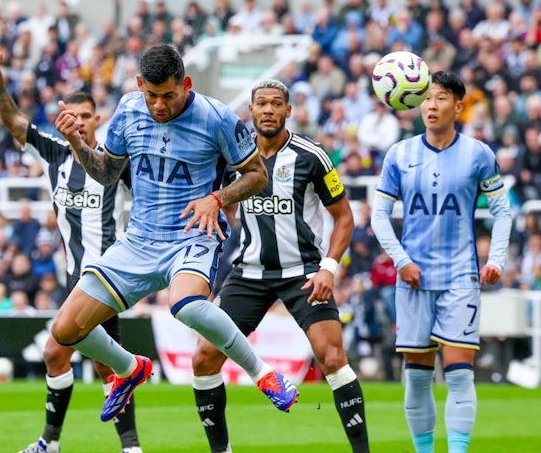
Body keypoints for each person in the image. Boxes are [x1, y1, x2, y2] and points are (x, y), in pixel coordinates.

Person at [49, 44, 299, 426]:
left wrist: (217, 198)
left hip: (192, 235)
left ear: (186, 83)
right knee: (65, 329)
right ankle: (129, 368)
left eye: (169, 95)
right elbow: (106, 174)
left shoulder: (216, 118)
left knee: (184, 304)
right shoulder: (129, 111)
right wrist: (76, 142)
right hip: (138, 240)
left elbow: (257, 175)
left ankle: (263, 374)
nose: (159, 105)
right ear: (139, 86)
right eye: (152, 95)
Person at [191, 79, 370, 453]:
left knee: (333, 357)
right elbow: (218, 209)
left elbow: (344, 217)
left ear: (289, 111)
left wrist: (329, 269)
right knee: (204, 358)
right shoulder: (233, 158)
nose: (269, 109)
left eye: (277, 103)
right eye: (262, 104)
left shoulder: (311, 155)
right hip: (248, 275)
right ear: (251, 111)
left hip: (304, 273)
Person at [0, 42, 143, 453]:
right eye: (73, 116)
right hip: (76, 278)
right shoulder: (54, 154)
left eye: (87, 116)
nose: (81, 122)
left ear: (98, 119)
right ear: (63, 119)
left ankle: (71, 444)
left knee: (66, 350)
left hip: (109, 276)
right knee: (77, 359)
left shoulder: (115, 162)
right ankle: (100, 445)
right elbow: (14, 121)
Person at [370, 71, 513, 453]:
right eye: (427, 99)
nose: (431, 106)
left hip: (460, 277)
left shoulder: (479, 154)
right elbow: (379, 216)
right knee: (417, 379)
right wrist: (401, 261)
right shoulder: (399, 154)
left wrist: (495, 259)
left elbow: (503, 212)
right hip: (413, 278)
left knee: (459, 375)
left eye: (441, 98)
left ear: (459, 106)